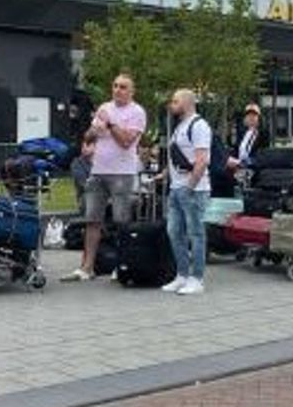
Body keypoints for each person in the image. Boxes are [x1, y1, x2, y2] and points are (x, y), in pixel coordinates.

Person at [62, 73, 146, 283]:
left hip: (122, 173)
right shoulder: (105, 108)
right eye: (115, 85)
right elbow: (89, 137)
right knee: (92, 220)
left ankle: (122, 264)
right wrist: (93, 130)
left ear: (131, 91)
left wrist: (109, 125)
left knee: (121, 221)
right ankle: (87, 267)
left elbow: (127, 141)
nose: (117, 90)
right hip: (98, 170)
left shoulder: (137, 112)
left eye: (123, 87)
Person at [161, 89, 211, 297]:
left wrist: (190, 187)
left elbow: (202, 160)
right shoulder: (179, 126)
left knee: (195, 233)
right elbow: (178, 157)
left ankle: (197, 278)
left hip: (193, 189)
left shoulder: (198, 126)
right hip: (177, 188)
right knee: (174, 232)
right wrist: (165, 175)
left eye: (176, 101)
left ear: (188, 103)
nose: (172, 104)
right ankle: (182, 273)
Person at [227, 103, 268, 173]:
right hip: (237, 165)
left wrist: (245, 163)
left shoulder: (263, 134)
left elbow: (262, 155)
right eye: (248, 115)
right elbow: (234, 148)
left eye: (254, 115)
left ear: (259, 118)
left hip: (252, 166)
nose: (251, 117)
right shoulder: (241, 133)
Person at [70, 130, 96, 214]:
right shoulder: (77, 163)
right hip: (86, 197)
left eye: (88, 144)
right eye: (83, 144)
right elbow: (85, 184)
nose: (84, 147)